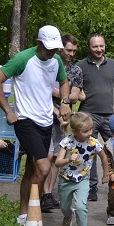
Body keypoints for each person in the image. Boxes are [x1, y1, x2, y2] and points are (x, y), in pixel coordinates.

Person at [0, 26, 71, 225]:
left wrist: (66, 102)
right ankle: (32, 218)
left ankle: (23, 214)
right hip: (25, 120)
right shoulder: (23, 59)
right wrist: (9, 111)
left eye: (55, 48)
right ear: (38, 42)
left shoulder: (56, 60)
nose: (52, 51)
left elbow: (64, 82)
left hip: (45, 121)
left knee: (31, 170)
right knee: (43, 168)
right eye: (48, 47)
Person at [77, 33, 114, 202]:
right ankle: (91, 187)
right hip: (87, 115)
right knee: (89, 151)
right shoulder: (80, 66)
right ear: (89, 47)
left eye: (101, 46)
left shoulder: (113, 64)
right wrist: (78, 94)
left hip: (109, 116)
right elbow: (72, 88)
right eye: (95, 46)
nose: (99, 49)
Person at [41, 34, 86, 211]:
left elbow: (74, 95)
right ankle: (38, 193)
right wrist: (63, 98)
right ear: (60, 49)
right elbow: (40, 91)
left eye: (74, 51)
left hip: (62, 120)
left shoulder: (75, 70)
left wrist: (56, 93)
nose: (71, 54)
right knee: (46, 155)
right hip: (43, 115)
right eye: (69, 50)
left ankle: (47, 194)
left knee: (56, 157)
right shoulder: (48, 65)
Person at [54, 112, 109, 226]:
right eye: (85, 131)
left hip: (83, 179)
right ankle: (68, 216)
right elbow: (57, 162)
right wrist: (68, 159)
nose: (89, 133)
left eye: (90, 129)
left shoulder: (93, 142)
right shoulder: (67, 142)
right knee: (64, 206)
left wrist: (106, 173)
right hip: (66, 179)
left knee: (81, 207)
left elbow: (103, 157)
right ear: (74, 131)